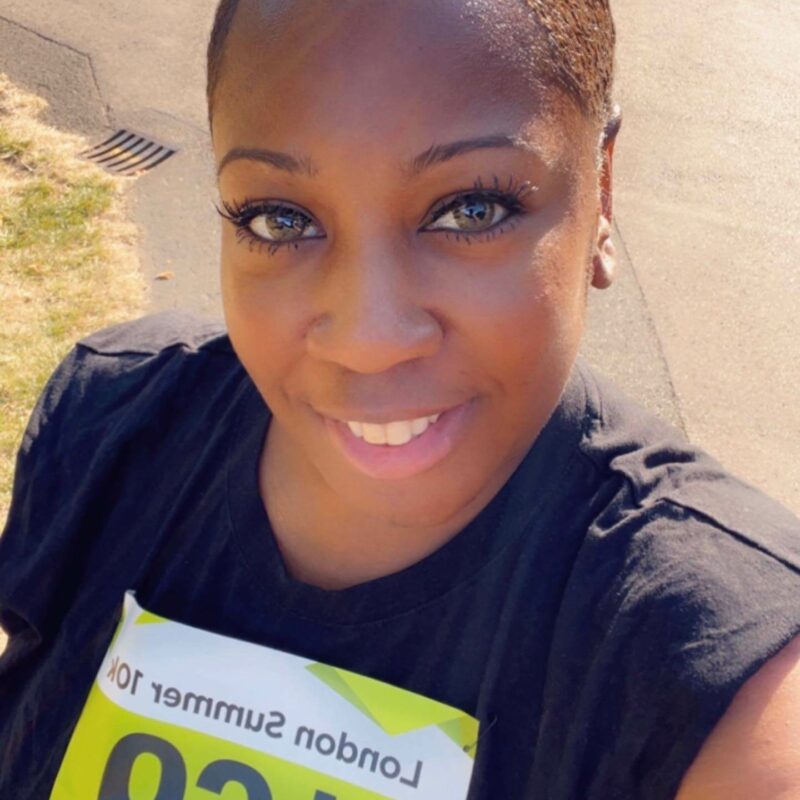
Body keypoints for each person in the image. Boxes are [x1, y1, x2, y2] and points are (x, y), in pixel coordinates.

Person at [1, 0, 800, 797]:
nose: (368, 337)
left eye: (472, 210)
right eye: (279, 219)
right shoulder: (116, 426)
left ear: (602, 190)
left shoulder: (725, 684)